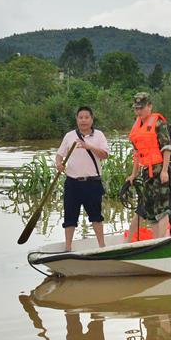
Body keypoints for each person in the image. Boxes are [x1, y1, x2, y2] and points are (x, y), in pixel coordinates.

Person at [55, 106, 109, 252]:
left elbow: (104, 155)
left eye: (86, 117)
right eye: (80, 117)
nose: (83, 120)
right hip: (72, 183)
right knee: (70, 217)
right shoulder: (69, 136)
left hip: (92, 182)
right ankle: (68, 248)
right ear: (77, 119)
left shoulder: (99, 135)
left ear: (92, 119)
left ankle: (102, 247)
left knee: (96, 217)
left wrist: (88, 146)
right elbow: (59, 155)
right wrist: (58, 164)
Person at [126, 92, 171, 240]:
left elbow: (166, 148)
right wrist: (134, 174)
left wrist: (165, 171)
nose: (139, 111)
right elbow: (137, 154)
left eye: (141, 108)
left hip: (159, 169)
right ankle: (155, 239)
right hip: (147, 171)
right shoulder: (137, 127)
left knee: (162, 209)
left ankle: (159, 241)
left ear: (149, 106)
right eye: (136, 109)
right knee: (150, 210)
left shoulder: (158, 123)